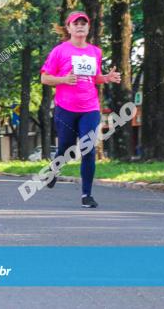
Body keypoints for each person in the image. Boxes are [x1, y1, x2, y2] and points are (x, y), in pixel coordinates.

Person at [40, 11, 121, 209]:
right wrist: (63, 80)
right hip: (66, 107)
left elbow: (94, 77)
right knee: (66, 147)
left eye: (83, 23)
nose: (80, 26)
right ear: (68, 28)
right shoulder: (59, 51)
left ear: (88, 27)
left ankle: (87, 195)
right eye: (75, 23)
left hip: (90, 107)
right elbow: (44, 78)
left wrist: (106, 78)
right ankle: (54, 169)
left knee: (88, 149)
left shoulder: (95, 52)